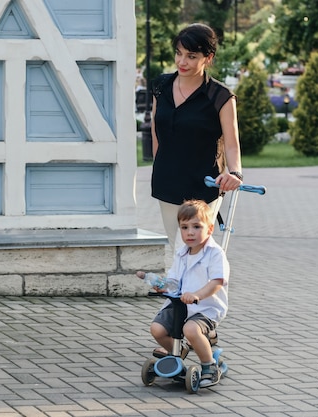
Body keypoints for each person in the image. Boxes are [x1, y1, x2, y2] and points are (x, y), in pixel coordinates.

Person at [150, 23, 243, 249]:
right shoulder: (161, 86)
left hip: (204, 186)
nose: (182, 62)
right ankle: (187, 285)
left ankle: (208, 285)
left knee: (197, 248)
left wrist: (235, 172)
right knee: (178, 249)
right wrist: (158, 165)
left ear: (207, 58)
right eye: (179, 54)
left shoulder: (220, 97)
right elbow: (156, 130)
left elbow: (232, 144)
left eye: (191, 56)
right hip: (168, 183)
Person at [137, 199, 229, 387]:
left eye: (196, 226)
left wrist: (197, 295)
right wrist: (161, 285)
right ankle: (178, 351)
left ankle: (209, 366)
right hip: (180, 305)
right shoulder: (181, 254)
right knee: (157, 329)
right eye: (184, 227)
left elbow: (217, 282)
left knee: (191, 329)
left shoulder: (215, 253)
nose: (190, 232)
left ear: (210, 229)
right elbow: (174, 281)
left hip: (205, 307)